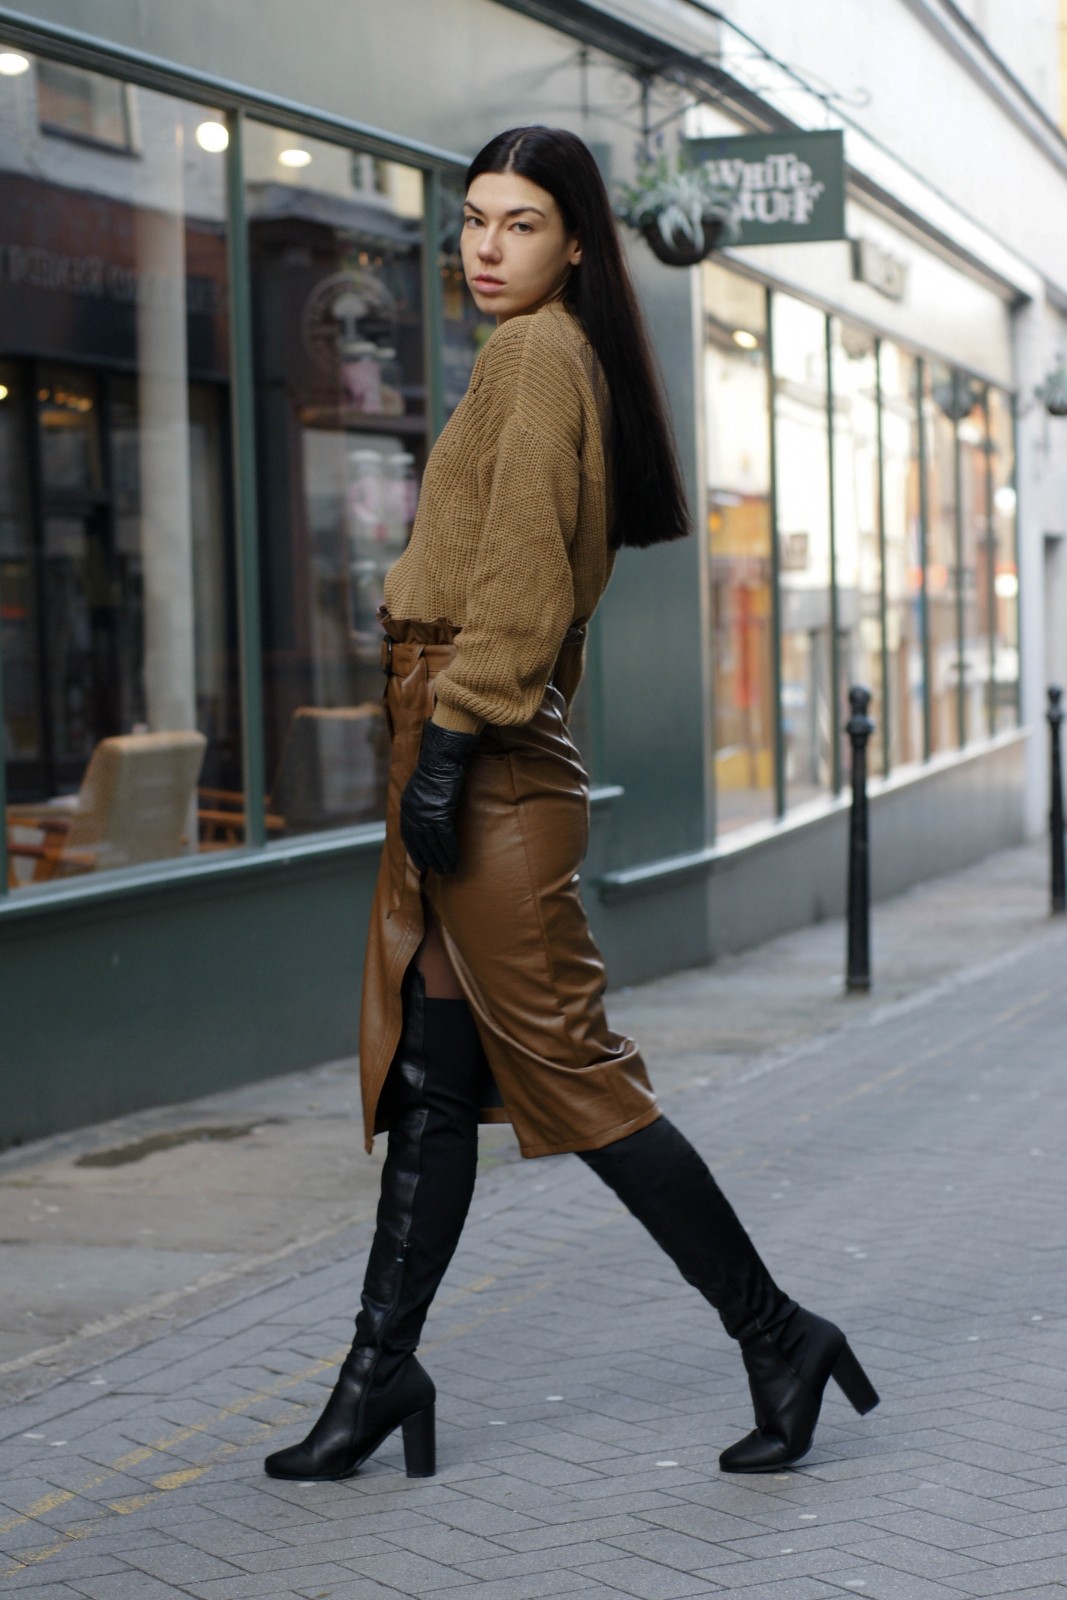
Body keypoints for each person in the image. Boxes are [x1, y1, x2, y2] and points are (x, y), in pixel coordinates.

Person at [264, 125, 878, 1486]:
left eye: (522, 223)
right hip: (463, 740)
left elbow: (528, 582)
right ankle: (380, 1375)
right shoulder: (541, 353)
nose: (488, 247)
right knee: (433, 1075)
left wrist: (448, 747)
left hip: (484, 758)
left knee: (579, 1079)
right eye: (476, 219)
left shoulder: (535, 353)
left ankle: (781, 1338)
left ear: (578, 242)